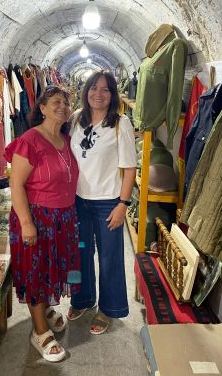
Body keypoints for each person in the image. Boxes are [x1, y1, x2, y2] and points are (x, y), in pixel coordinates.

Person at [4, 86, 80, 362]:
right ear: (43, 108)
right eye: (56, 102)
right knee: (36, 273)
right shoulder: (29, 140)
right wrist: (26, 223)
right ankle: (39, 332)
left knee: (51, 268)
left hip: (63, 218)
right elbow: (16, 185)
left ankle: (45, 309)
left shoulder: (66, 139)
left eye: (66, 102)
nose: (63, 106)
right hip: (37, 217)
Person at [68, 71, 136, 334]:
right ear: (86, 91)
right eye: (94, 88)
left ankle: (109, 309)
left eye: (106, 90)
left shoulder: (121, 124)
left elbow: (129, 169)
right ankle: (82, 298)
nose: (98, 94)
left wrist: (123, 204)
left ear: (113, 95)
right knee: (81, 252)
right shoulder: (76, 119)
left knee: (109, 258)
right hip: (79, 203)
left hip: (108, 204)